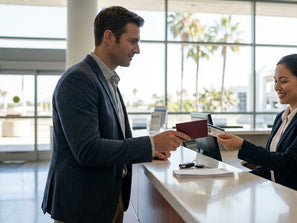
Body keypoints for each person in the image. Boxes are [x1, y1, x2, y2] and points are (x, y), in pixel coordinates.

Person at [41, 6, 191, 223]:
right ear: (109, 37)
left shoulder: (107, 79)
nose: (137, 49)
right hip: (83, 208)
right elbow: (88, 150)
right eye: (132, 41)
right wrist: (150, 144)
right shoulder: (78, 80)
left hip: (108, 200)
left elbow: (113, 139)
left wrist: (150, 151)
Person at [218, 53, 297, 202]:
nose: (277, 87)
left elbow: (287, 162)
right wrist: (237, 178)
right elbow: (270, 166)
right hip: (285, 199)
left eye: (283, 81)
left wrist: (242, 146)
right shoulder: (281, 118)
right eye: (275, 81)